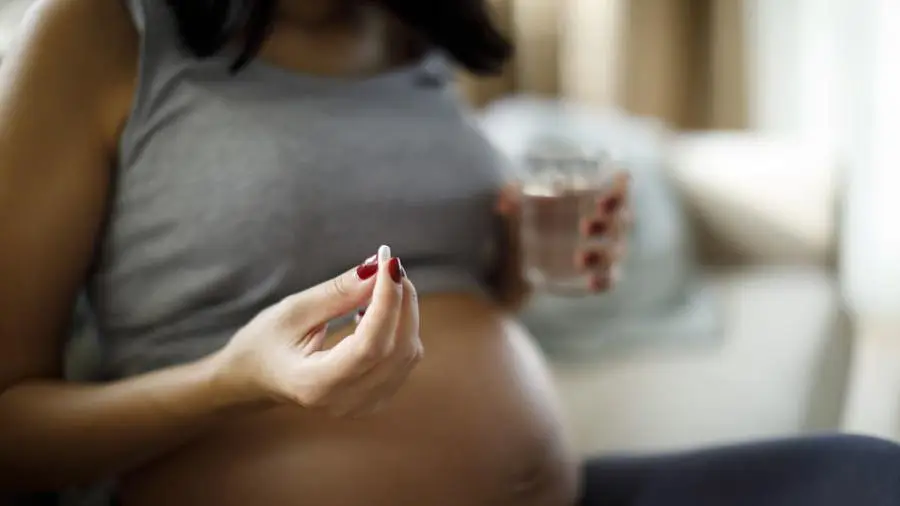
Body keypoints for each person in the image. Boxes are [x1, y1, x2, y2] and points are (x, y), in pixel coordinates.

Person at [0, 0, 898, 505]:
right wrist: (237, 379)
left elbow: (451, 309)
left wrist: (516, 271)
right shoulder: (98, 33)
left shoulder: (413, 35)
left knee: (867, 477)